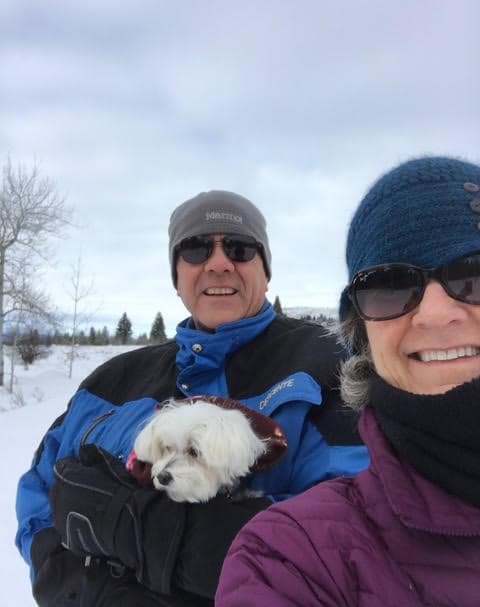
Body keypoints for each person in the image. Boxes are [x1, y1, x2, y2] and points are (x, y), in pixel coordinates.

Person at [16, 190, 368, 607]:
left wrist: (166, 539)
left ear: (265, 271)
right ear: (177, 275)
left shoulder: (329, 363)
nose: (219, 263)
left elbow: (358, 526)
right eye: (197, 249)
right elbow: (39, 492)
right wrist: (75, 586)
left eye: (239, 248)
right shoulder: (110, 380)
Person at [216, 156, 480, 607]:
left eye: (474, 275)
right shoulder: (291, 558)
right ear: (362, 333)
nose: (436, 315)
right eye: (390, 286)